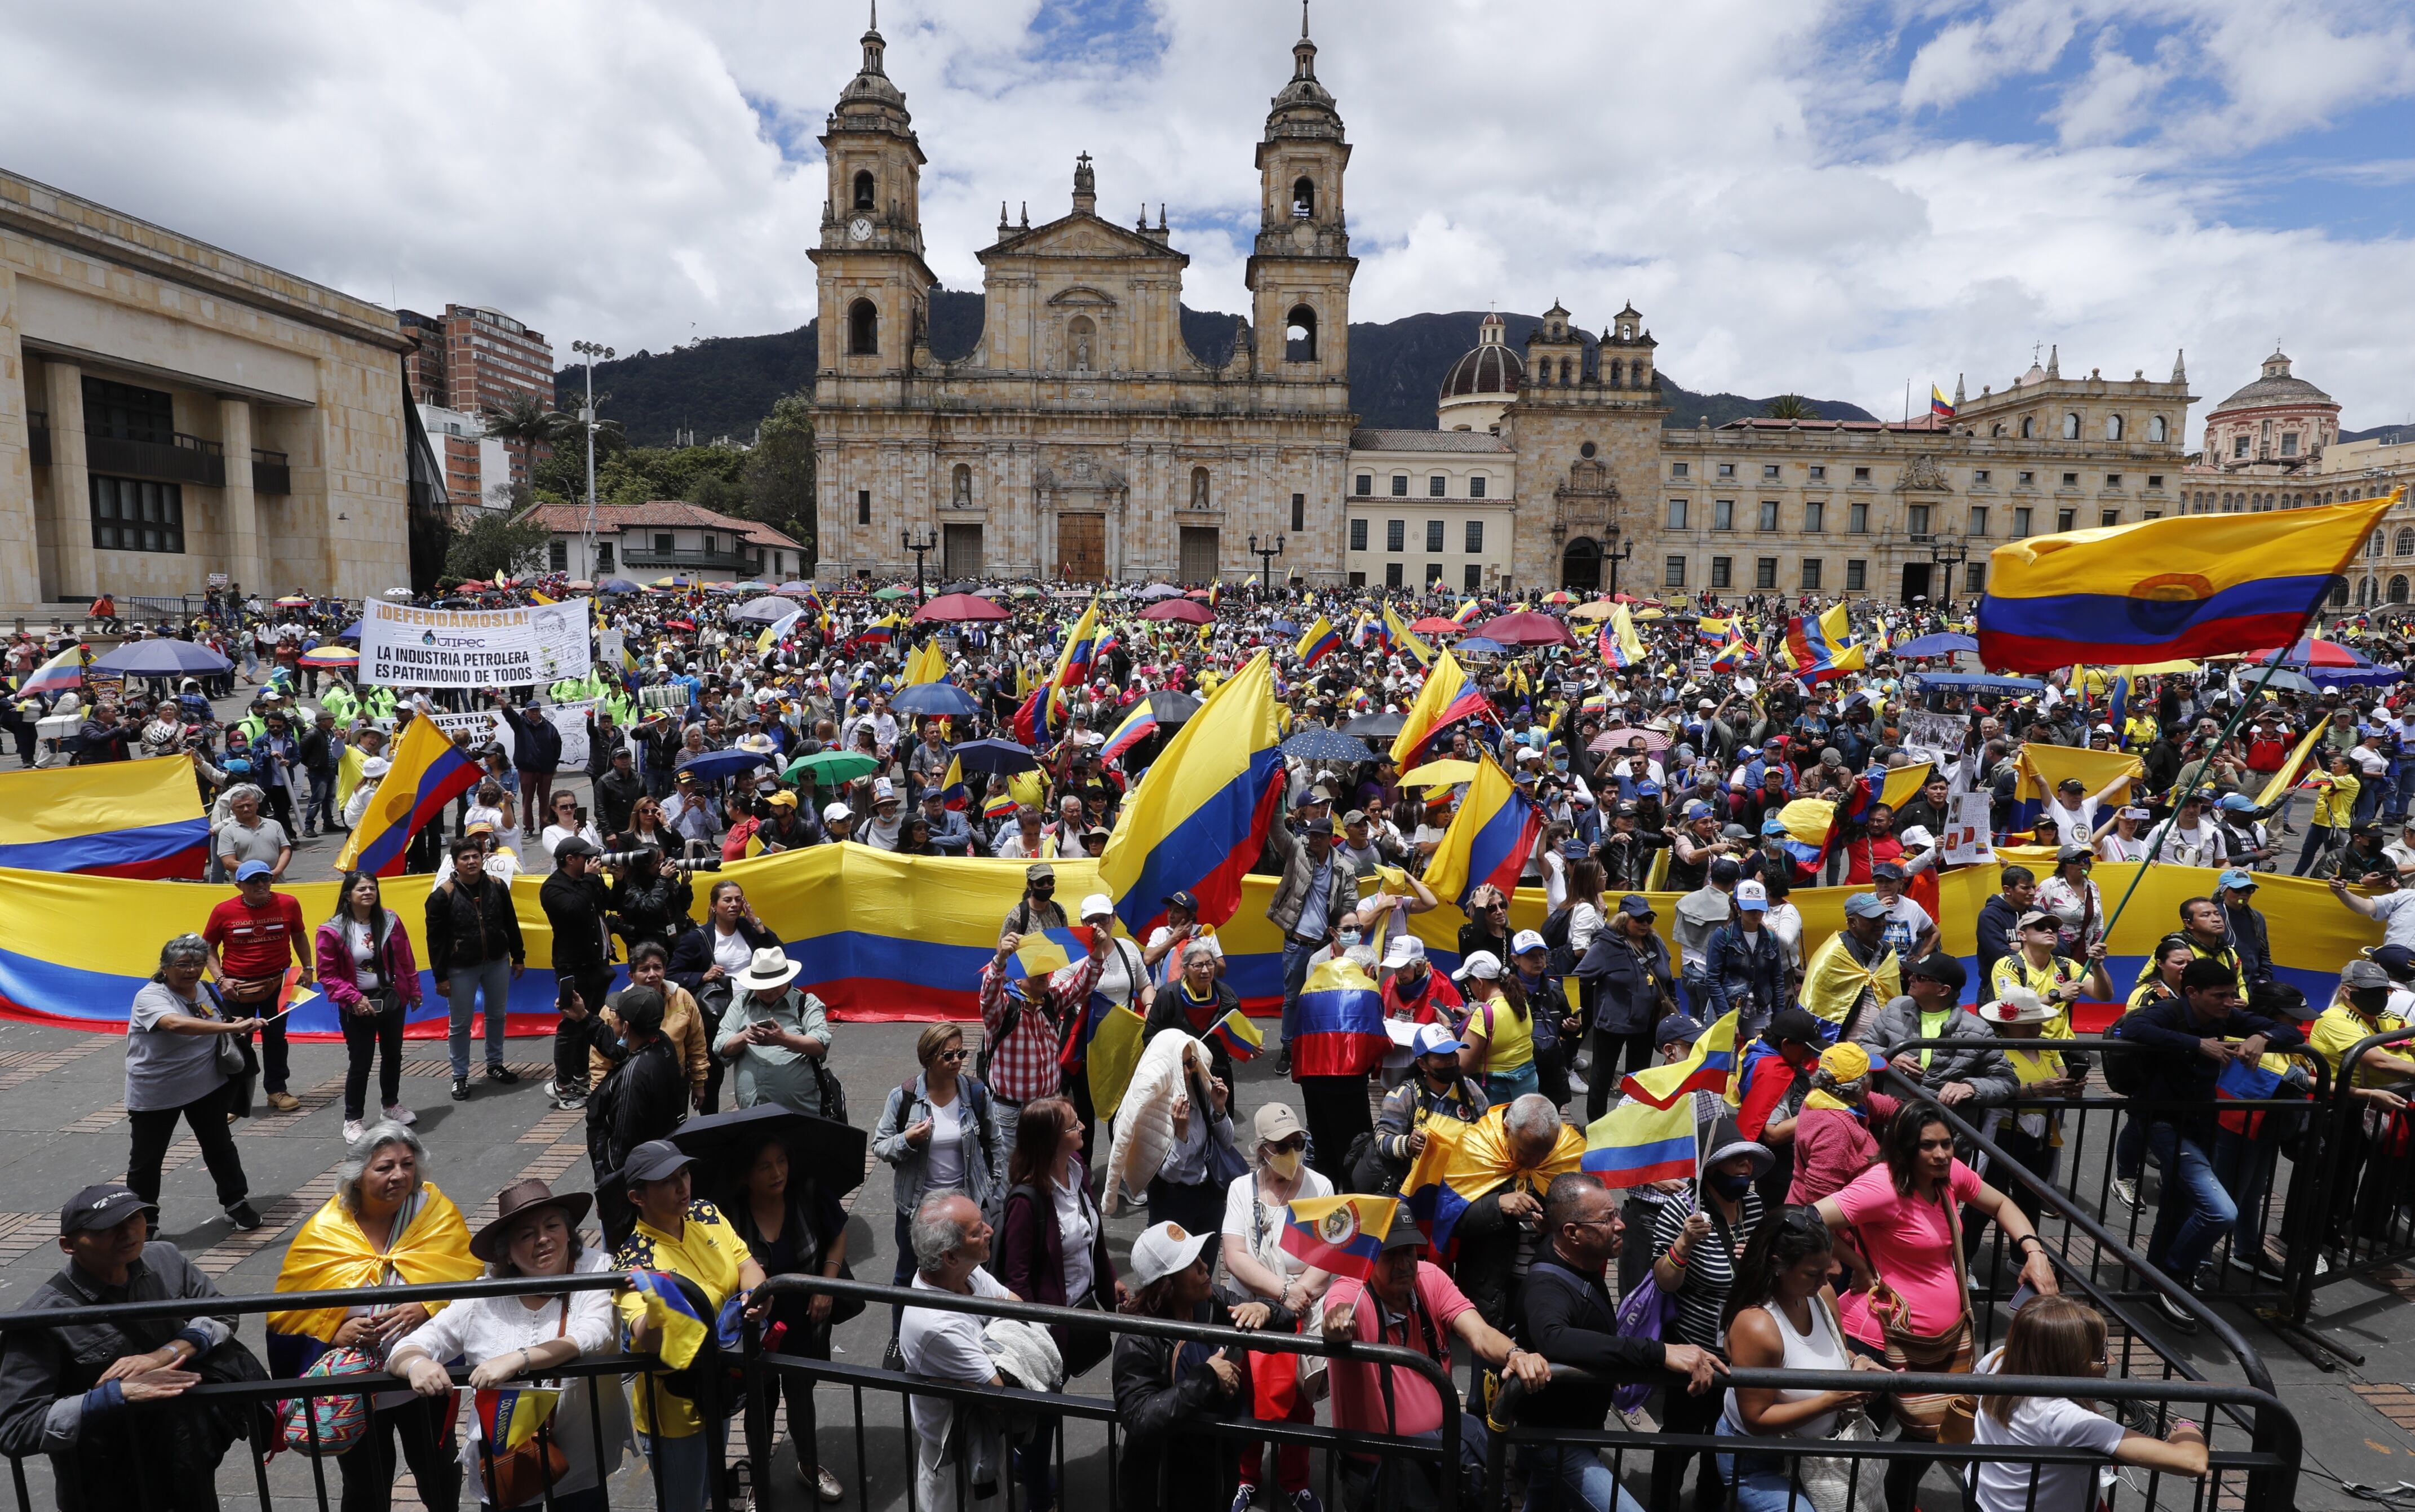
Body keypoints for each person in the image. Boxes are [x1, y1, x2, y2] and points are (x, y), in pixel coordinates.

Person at [1813, 1107, 2059, 1501]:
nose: (1942, 1153)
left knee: (1929, 1433)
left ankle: (1895, 1500)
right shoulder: (1881, 1186)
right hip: (1880, 1340)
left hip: (1943, 1342)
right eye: (1928, 1145)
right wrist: (1856, 1262)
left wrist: (2033, 1250)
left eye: (1946, 1143)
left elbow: (2000, 1205)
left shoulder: (1947, 1176)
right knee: (1859, 1441)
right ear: (1904, 1148)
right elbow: (1806, 1218)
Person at [0, 1184, 260, 1512]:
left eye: (134, 1219)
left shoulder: (165, 1258)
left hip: (184, 1458)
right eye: (106, 1228)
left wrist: (167, 1353)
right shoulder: (40, 1320)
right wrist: (116, 1395)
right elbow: (16, 1429)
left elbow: (221, 1312)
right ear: (68, 1246)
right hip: (105, 1482)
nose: (127, 1233)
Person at [265, 1124, 481, 1512]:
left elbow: (466, 1277)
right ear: (357, 1175)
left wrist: (428, 1306)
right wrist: (335, 1330)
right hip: (355, 1387)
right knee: (366, 1484)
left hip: (425, 1376)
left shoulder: (435, 1212)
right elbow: (289, 1312)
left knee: (438, 1471)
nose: (399, 1175)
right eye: (384, 1167)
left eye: (407, 1164)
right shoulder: (325, 1230)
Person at [386, 1180, 632, 1512]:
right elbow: (411, 1346)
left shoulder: (597, 1269)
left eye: (553, 1226)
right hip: (509, 1462)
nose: (543, 1239)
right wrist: (418, 1365)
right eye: (526, 1234)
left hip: (582, 1455)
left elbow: (595, 1332)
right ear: (508, 1252)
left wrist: (519, 1359)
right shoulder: (482, 1296)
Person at [2111, 956, 2305, 1330]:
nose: (2229, 1003)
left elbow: (2293, 1034)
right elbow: (2135, 1028)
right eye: (2219, 995)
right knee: (2220, 1210)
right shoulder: (2167, 1012)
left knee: (2177, 1206)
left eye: (2232, 995)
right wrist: (2198, 1045)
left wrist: (2261, 1035)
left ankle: (2154, 1283)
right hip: (2163, 1124)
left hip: (2201, 1124)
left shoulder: (2223, 1015)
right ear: (2191, 993)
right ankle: (2173, 1277)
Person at [1319, 1211, 1552, 1509]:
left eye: (1409, 1252)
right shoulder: (1354, 1295)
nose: (1404, 1265)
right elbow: (1337, 1308)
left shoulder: (1430, 1279)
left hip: (1437, 1460)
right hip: (1377, 1473)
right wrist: (1335, 1324)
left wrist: (1515, 1354)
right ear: (1369, 1257)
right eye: (1391, 1255)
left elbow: (1479, 1333)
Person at [1519, 1173, 1719, 1512]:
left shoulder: (1577, 1259)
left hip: (1579, 1432)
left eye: (1617, 1214)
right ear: (1572, 1233)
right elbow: (1553, 1337)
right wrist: (1659, 1352)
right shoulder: (1546, 1287)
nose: (1621, 1225)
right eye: (1607, 1219)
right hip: (1555, 1443)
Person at [613, 1140, 769, 1512]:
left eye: (684, 1173)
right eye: (667, 1181)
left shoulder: (705, 1213)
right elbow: (647, 1340)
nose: (683, 1186)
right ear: (638, 1196)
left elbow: (746, 1263)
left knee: (707, 1490)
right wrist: (656, 1304)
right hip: (675, 1413)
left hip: (717, 1387)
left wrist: (758, 1296)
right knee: (686, 1502)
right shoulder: (632, 1261)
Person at [1715, 1207, 1892, 1512]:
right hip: (1762, 1463)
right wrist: (1833, 1400)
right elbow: (1755, 1419)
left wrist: (1858, 1364)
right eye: (1813, 1273)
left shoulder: (1821, 1294)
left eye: (1827, 1269)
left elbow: (1839, 1351)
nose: (1827, 1279)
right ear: (1778, 1265)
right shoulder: (1757, 1326)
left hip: (1820, 1457)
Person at [1111, 1220, 1292, 1512]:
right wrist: (1207, 1377)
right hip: (1164, 1488)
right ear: (1166, 1284)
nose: (1205, 1267)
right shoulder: (1137, 1339)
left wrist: (1266, 1311)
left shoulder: (1212, 1302)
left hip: (1218, 1466)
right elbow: (1139, 1417)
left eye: (1199, 1257)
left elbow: (1285, 1328)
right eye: (1191, 1264)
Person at [1970, 1297, 2208, 1512]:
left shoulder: (2000, 1359)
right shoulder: (2063, 1417)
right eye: (2101, 1354)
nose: (2111, 1361)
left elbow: (1972, 1399)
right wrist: (2188, 1428)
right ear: (2069, 1361)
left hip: (1980, 1495)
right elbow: (2192, 1462)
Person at [720, 1130, 851, 1505]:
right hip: (755, 1329)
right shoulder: (728, 1213)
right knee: (759, 1406)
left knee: (800, 1396)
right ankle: (759, 1483)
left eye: (782, 1161)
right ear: (745, 1174)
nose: (777, 1172)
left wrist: (826, 1283)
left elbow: (838, 1234)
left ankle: (808, 1465)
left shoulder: (807, 1191)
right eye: (765, 1165)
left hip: (805, 1320)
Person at [1646, 1120, 1771, 1511]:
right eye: (1735, 1162)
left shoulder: (1752, 1204)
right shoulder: (1680, 1209)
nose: (1745, 1168)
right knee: (1680, 1440)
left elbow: (1768, 1273)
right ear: (1711, 1168)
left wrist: (1758, 1260)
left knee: (1722, 1445)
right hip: (1694, 1353)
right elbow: (1664, 1282)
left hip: (1741, 1357)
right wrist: (1683, 1244)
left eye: (1748, 1161)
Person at [1218, 1103, 1333, 1512]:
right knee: (1245, 1398)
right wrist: (1284, 1291)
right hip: (1249, 1312)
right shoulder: (1239, 1189)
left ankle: (1295, 1480)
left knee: (1299, 1405)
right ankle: (1246, 1478)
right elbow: (1234, 1255)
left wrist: (1297, 1295)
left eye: (1298, 1142)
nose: (1292, 1150)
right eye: (1282, 1144)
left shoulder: (1319, 1186)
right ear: (1262, 1149)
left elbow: (1329, 1253)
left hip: (1300, 1314)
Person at [873, 1025, 1005, 1343]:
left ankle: (967, 1336)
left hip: (964, 1207)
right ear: (929, 1058)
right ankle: (900, 1338)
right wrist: (907, 1139)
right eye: (949, 1055)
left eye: (961, 1053)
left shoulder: (975, 1094)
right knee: (908, 1274)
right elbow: (880, 1145)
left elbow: (995, 1142)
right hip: (918, 1209)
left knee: (968, 1271)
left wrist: (993, 1189)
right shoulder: (904, 1097)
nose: (958, 1060)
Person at [124, 935, 262, 1231]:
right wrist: (232, 1026)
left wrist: (235, 1020)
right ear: (164, 967)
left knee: (220, 1146)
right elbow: (175, 1023)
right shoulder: (150, 997)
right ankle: (144, 1221)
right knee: (147, 1161)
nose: (192, 971)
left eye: (199, 964)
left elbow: (209, 1017)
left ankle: (236, 1202)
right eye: (183, 965)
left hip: (206, 1083)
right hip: (156, 1091)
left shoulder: (201, 988)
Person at [898, 1191, 1020, 1512]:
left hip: (983, 1441)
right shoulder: (937, 1326)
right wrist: (1007, 1348)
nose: (990, 1231)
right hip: (955, 1462)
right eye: (977, 1231)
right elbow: (1003, 1392)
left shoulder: (966, 1272)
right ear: (950, 1256)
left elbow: (1021, 1311)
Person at [314, 871, 421, 1143]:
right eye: (361, 889)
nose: (368, 893)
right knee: (361, 1062)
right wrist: (354, 998)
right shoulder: (332, 930)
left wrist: (414, 990)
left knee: (393, 1054)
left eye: (372, 888)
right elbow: (327, 974)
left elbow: (406, 958)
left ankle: (390, 1106)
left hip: (391, 999)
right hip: (356, 1005)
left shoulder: (390, 920)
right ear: (348, 895)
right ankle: (353, 1120)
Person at [579, 985, 688, 1248]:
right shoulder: (661, 1044)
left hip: (631, 1195)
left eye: (615, 1018)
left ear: (626, 1027)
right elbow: (620, 1050)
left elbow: (620, 1150)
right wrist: (583, 1017)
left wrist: (607, 1195)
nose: (612, 1021)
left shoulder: (633, 1077)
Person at [201, 859, 309, 1113]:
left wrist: (308, 968)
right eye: (253, 881)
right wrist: (220, 980)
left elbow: (299, 935)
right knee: (235, 1042)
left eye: (265, 879)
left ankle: (277, 1090)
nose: (261, 885)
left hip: (278, 982)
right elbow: (207, 947)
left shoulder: (289, 903)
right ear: (239, 885)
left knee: (276, 1038)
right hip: (236, 988)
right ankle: (232, 1100)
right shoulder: (223, 911)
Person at [425, 833, 525, 1103]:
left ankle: (495, 1064)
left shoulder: (497, 886)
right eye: (465, 858)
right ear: (455, 863)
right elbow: (435, 941)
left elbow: (511, 922)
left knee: (497, 1015)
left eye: (475, 857)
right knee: (460, 1023)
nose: (471, 862)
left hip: (496, 961)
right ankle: (460, 1076)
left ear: (483, 859)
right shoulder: (441, 896)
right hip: (460, 968)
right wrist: (440, 976)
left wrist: (518, 955)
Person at [1267, 815, 1360, 1066]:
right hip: (1297, 944)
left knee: (1324, 999)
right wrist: (1278, 794)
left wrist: (1341, 939)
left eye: (1319, 836)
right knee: (1293, 999)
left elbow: (1350, 905)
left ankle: (1315, 1047)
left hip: (1324, 947)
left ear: (1331, 838)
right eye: (1312, 835)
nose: (1314, 840)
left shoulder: (1344, 868)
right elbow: (1276, 831)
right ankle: (1288, 1048)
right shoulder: (1297, 849)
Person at [1577, 894, 1678, 1121]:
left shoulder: (1655, 942)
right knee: (1602, 1078)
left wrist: (1675, 1013)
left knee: (1639, 1079)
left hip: (1646, 1024)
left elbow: (1667, 979)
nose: (1645, 924)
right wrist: (1578, 1013)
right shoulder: (1605, 945)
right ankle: (1597, 1127)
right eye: (1639, 919)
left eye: (1649, 919)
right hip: (1612, 1024)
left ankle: (1632, 1125)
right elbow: (1579, 979)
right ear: (1624, 920)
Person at [716, 946, 836, 1118]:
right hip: (752, 1113)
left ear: (787, 980)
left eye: (773, 985)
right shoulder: (740, 1004)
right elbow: (721, 1047)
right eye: (762, 986)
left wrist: (783, 1039)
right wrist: (744, 1037)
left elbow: (820, 1045)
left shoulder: (806, 1003)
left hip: (799, 1113)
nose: (767, 990)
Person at [1703, 878, 1791, 1041]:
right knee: (1725, 1060)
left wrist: (1779, 1019)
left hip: (1761, 1008)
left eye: (1760, 909)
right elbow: (1713, 980)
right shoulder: (1723, 935)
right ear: (1737, 908)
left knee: (1756, 1056)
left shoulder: (1770, 938)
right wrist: (1726, 1018)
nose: (1756, 914)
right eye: (1750, 910)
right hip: (1729, 1007)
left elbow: (1777, 980)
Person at [1456, 951, 1540, 1103]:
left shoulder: (1484, 1014)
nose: (1469, 986)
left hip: (1497, 1097)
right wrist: (1470, 1018)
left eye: (1469, 982)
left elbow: (1462, 1066)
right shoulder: (1519, 1000)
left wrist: (1448, 1028)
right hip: (1526, 1089)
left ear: (1479, 983)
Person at [212, 783, 291, 883]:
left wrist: (277, 871)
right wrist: (262, 874)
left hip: (277, 882)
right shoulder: (227, 832)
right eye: (240, 807)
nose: (246, 809)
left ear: (257, 805)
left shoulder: (275, 825)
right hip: (245, 886)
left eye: (249, 805)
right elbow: (228, 863)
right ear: (232, 810)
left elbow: (285, 851)